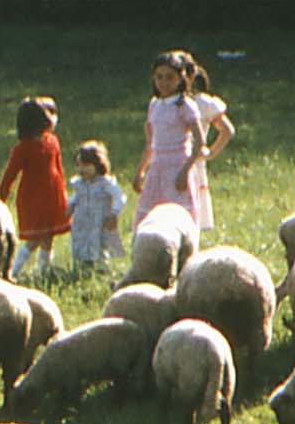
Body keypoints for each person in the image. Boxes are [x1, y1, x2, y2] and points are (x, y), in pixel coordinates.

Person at [135, 48, 231, 234]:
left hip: (177, 166)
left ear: (181, 78)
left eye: (169, 77)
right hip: (157, 167)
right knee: (150, 218)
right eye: (159, 77)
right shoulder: (154, 105)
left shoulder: (185, 105)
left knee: (178, 217)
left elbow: (199, 141)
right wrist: (140, 171)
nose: (164, 82)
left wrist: (185, 170)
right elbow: (150, 143)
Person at [0, 96, 70, 279]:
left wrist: (63, 190)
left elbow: (58, 167)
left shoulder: (52, 141)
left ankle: (43, 270)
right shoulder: (23, 149)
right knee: (34, 239)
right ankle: (13, 271)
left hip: (52, 195)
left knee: (48, 237)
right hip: (34, 198)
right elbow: (10, 174)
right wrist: (2, 197)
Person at [66, 139, 127, 275]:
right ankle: (82, 269)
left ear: (98, 164)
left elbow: (119, 197)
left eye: (86, 165)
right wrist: (70, 205)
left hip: (98, 221)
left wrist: (114, 213)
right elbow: (77, 196)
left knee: (99, 244)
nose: (82, 170)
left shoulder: (104, 183)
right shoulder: (79, 183)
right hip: (82, 220)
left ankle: (101, 269)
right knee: (81, 242)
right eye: (78, 165)